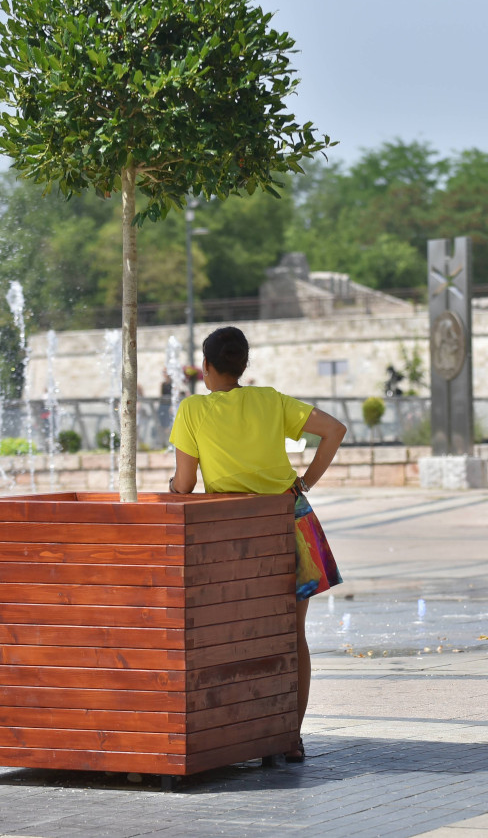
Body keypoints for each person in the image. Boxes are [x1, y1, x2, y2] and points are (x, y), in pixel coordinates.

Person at [167, 326, 346, 764]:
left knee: (232, 633)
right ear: (242, 366)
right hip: (289, 521)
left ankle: (238, 731)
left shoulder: (192, 410)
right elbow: (335, 430)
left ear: (206, 368)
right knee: (291, 634)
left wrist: (172, 486)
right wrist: (307, 481)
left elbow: (185, 486)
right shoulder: (270, 400)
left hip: (234, 532)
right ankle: (291, 736)